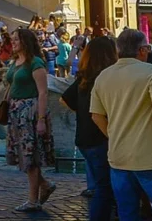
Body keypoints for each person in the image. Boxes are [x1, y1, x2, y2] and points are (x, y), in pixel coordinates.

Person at [89, 29, 152, 221]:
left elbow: (96, 115)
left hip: (119, 155)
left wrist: (113, 135)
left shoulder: (103, 76)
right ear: (142, 50)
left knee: (127, 213)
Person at [60, 36, 116, 221]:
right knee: (105, 188)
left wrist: (82, 110)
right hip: (100, 137)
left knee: (102, 185)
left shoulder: (84, 78)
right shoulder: (105, 78)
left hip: (84, 138)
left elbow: (64, 99)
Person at [6, 28, 56, 212]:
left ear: (25, 41)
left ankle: (33, 200)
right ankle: (45, 185)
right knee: (24, 155)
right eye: (12, 39)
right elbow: (11, 85)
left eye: (16, 39)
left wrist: (41, 119)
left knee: (30, 155)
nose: (13, 42)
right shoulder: (15, 62)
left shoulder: (35, 63)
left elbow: (43, 93)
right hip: (16, 112)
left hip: (29, 112)